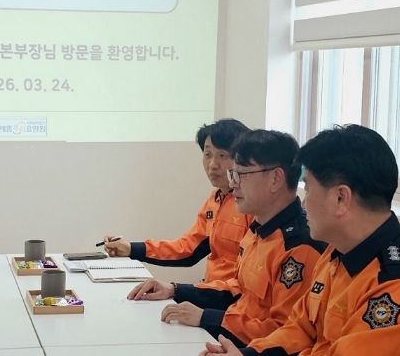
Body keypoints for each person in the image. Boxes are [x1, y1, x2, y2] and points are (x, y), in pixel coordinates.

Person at [201, 125, 400, 356]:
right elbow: (299, 329)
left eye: (309, 189)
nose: (304, 202)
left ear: (340, 198)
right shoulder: (335, 254)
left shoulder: (390, 284)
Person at [127, 130, 326, 346]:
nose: (233, 184)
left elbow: (284, 332)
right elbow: (236, 290)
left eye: (242, 175)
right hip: (233, 337)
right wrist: (175, 290)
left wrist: (208, 318)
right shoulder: (258, 230)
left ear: (275, 179)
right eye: (233, 175)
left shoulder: (299, 246)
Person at [104, 119, 252, 283]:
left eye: (222, 156)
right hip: (211, 291)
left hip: (233, 295)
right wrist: (132, 249)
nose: (212, 165)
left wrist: (180, 291)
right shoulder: (215, 199)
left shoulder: (252, 204)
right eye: (207, 154)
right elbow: (187, 249)